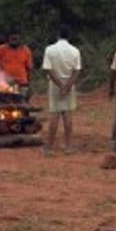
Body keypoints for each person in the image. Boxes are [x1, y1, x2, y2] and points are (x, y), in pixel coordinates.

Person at [40, 26, 82, 156]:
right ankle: (69, 147)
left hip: (54, 84)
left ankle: (50, 147)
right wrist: (67, 86)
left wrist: (59, 86)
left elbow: (48, 69)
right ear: (69, 36)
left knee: (54, 114)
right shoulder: (75, 51)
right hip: (69, 83)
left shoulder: (50, 49)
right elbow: (76, 71)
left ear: (57, 35)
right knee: (67, 114)